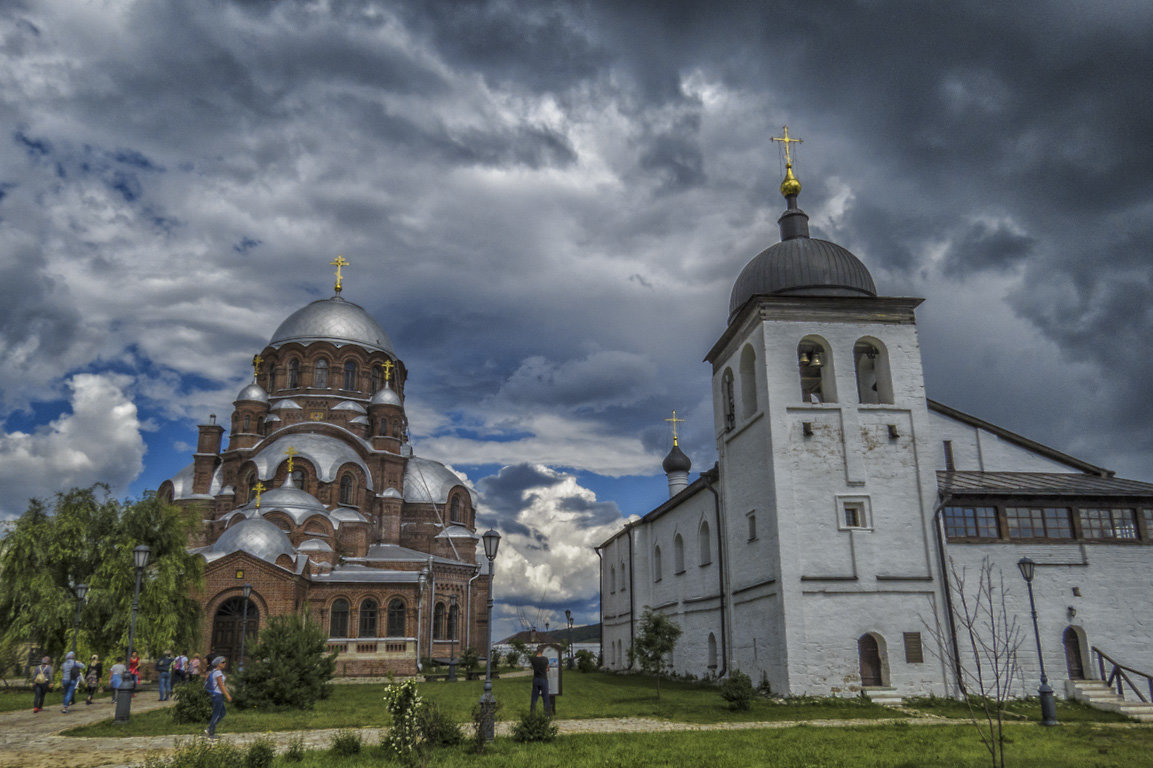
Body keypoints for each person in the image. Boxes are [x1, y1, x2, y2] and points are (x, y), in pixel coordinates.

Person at [204, 657, 231, 739]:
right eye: (223, 662)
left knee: (222, 713)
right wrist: (228, 695)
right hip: (218, 695)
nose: (225, 663)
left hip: (215, 695)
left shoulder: (214, 671)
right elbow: (221, 685)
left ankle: (210, 729)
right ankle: (210, 731)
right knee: (217, 714)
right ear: (218, 664)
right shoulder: (218, 673)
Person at [529, 648, 551, 715]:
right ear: (542, 651)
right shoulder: (545, 659)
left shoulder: (533, 659)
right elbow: (548, 669)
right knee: (545, 698)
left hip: (536, 679)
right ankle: (547, 714)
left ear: (536, 652)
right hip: (543, 679)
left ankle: (532, 713)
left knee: (534, 698)